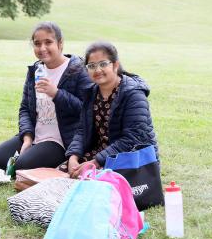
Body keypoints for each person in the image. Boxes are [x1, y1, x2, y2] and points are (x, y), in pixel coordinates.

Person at [0, 22, 92, 171]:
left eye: (48, 42)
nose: (42, 48)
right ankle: (32, 150)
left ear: (60, 44)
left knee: (23, 165)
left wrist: (56, 93)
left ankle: (59, 161)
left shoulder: (77, 70)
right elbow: (25, 109)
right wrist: (27, 138)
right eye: (37, 44)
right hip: (35, 135)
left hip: (60, 140)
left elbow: (86, 111)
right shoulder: (35, 70)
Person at [65, 41, 158, 178]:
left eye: (103, 64)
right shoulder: (91, 93)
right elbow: (82, 130)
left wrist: (96, 162)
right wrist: (73, 156)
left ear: (115, 65)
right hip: (101, 155)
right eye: (91, 66)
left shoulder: (133, 93)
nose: (97, 70)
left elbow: (132, 139)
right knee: (65, 174)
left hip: (131, 159)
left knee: (89, 182)